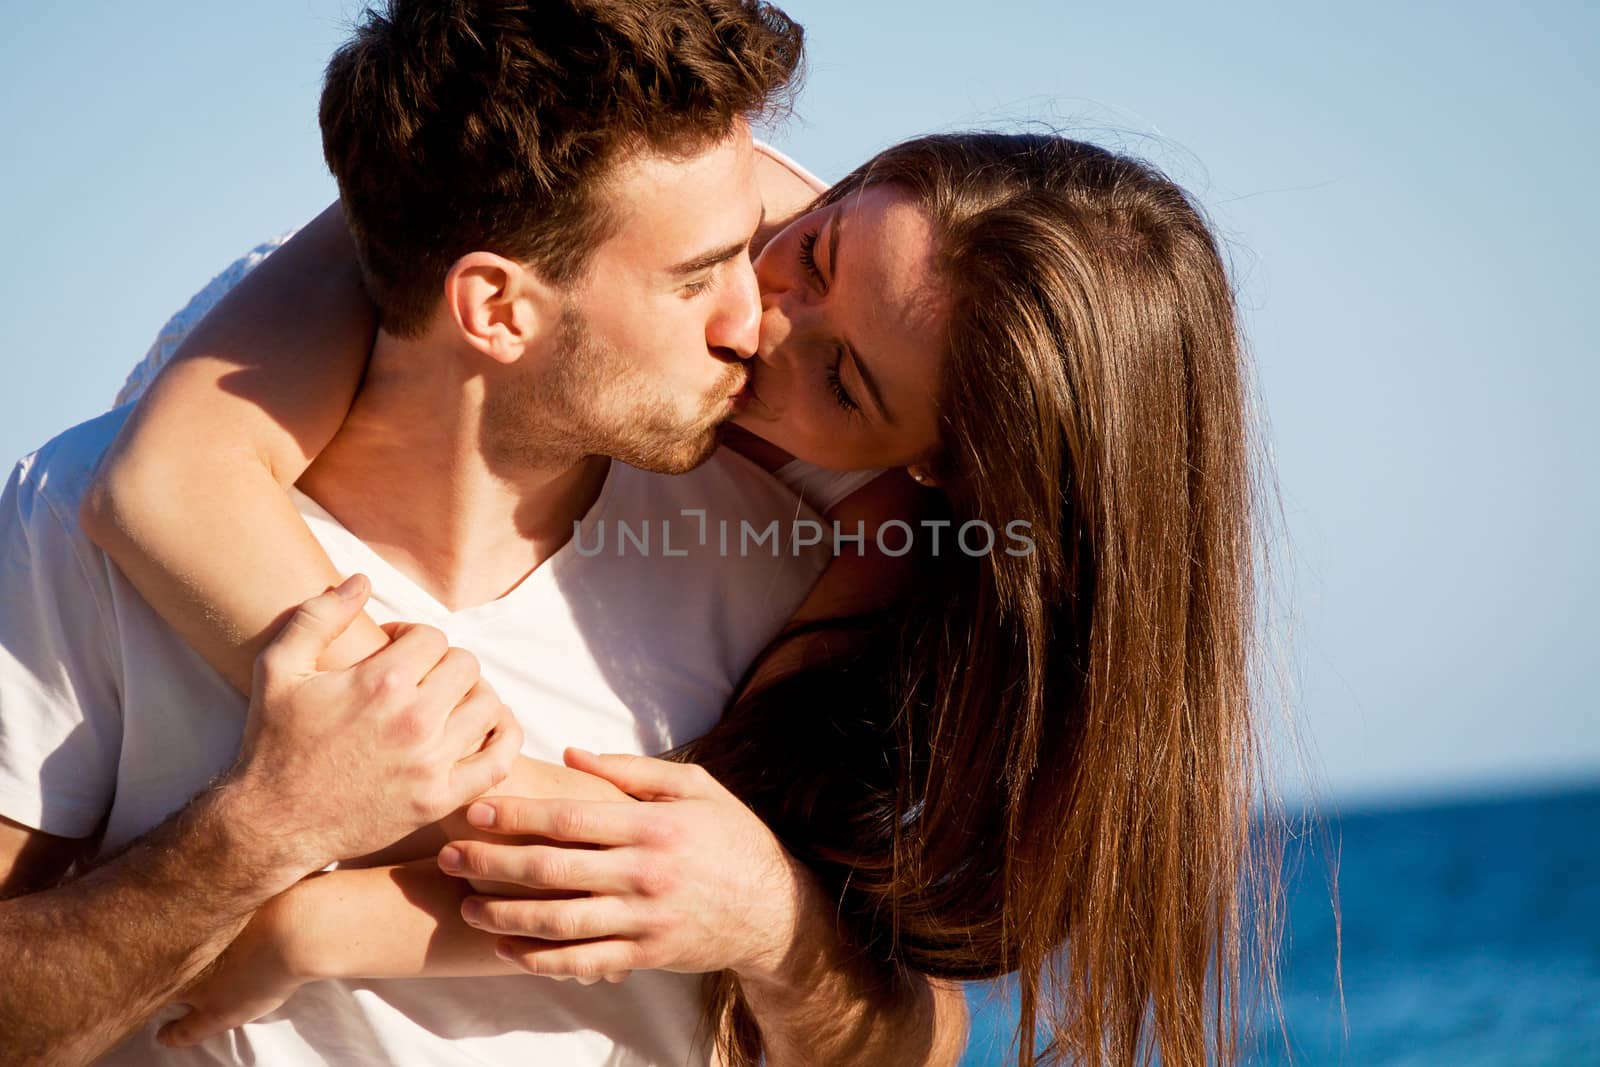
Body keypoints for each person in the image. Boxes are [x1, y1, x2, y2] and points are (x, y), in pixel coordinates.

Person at [82, 120, 1281, 1067]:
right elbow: (168, 485)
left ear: (936, 465)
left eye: (844, 381)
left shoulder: (897, 555)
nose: (760, 319)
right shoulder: (674, 197)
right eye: (810, 253)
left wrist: (327, 924)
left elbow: (857, 990)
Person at [0, 2, 969, 1064]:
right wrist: (257, 832)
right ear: (496, 308)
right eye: (698, 276)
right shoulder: (79, 513)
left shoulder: (793, 566)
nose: (752, 323)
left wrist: (772, 925)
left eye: (758, 247)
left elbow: (917, 1036)